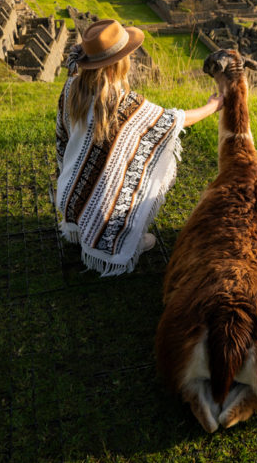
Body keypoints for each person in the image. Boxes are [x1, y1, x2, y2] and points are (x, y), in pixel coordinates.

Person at [55, 18, 222, 277]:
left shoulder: (69, 89)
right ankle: (116, 240)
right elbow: (175, 120)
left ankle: (81, 227)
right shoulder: (126, 105)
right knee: (137, 170)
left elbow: (62, 139)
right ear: (118, 64)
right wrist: (214, 105)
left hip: (68, 196)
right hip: (104, 220)